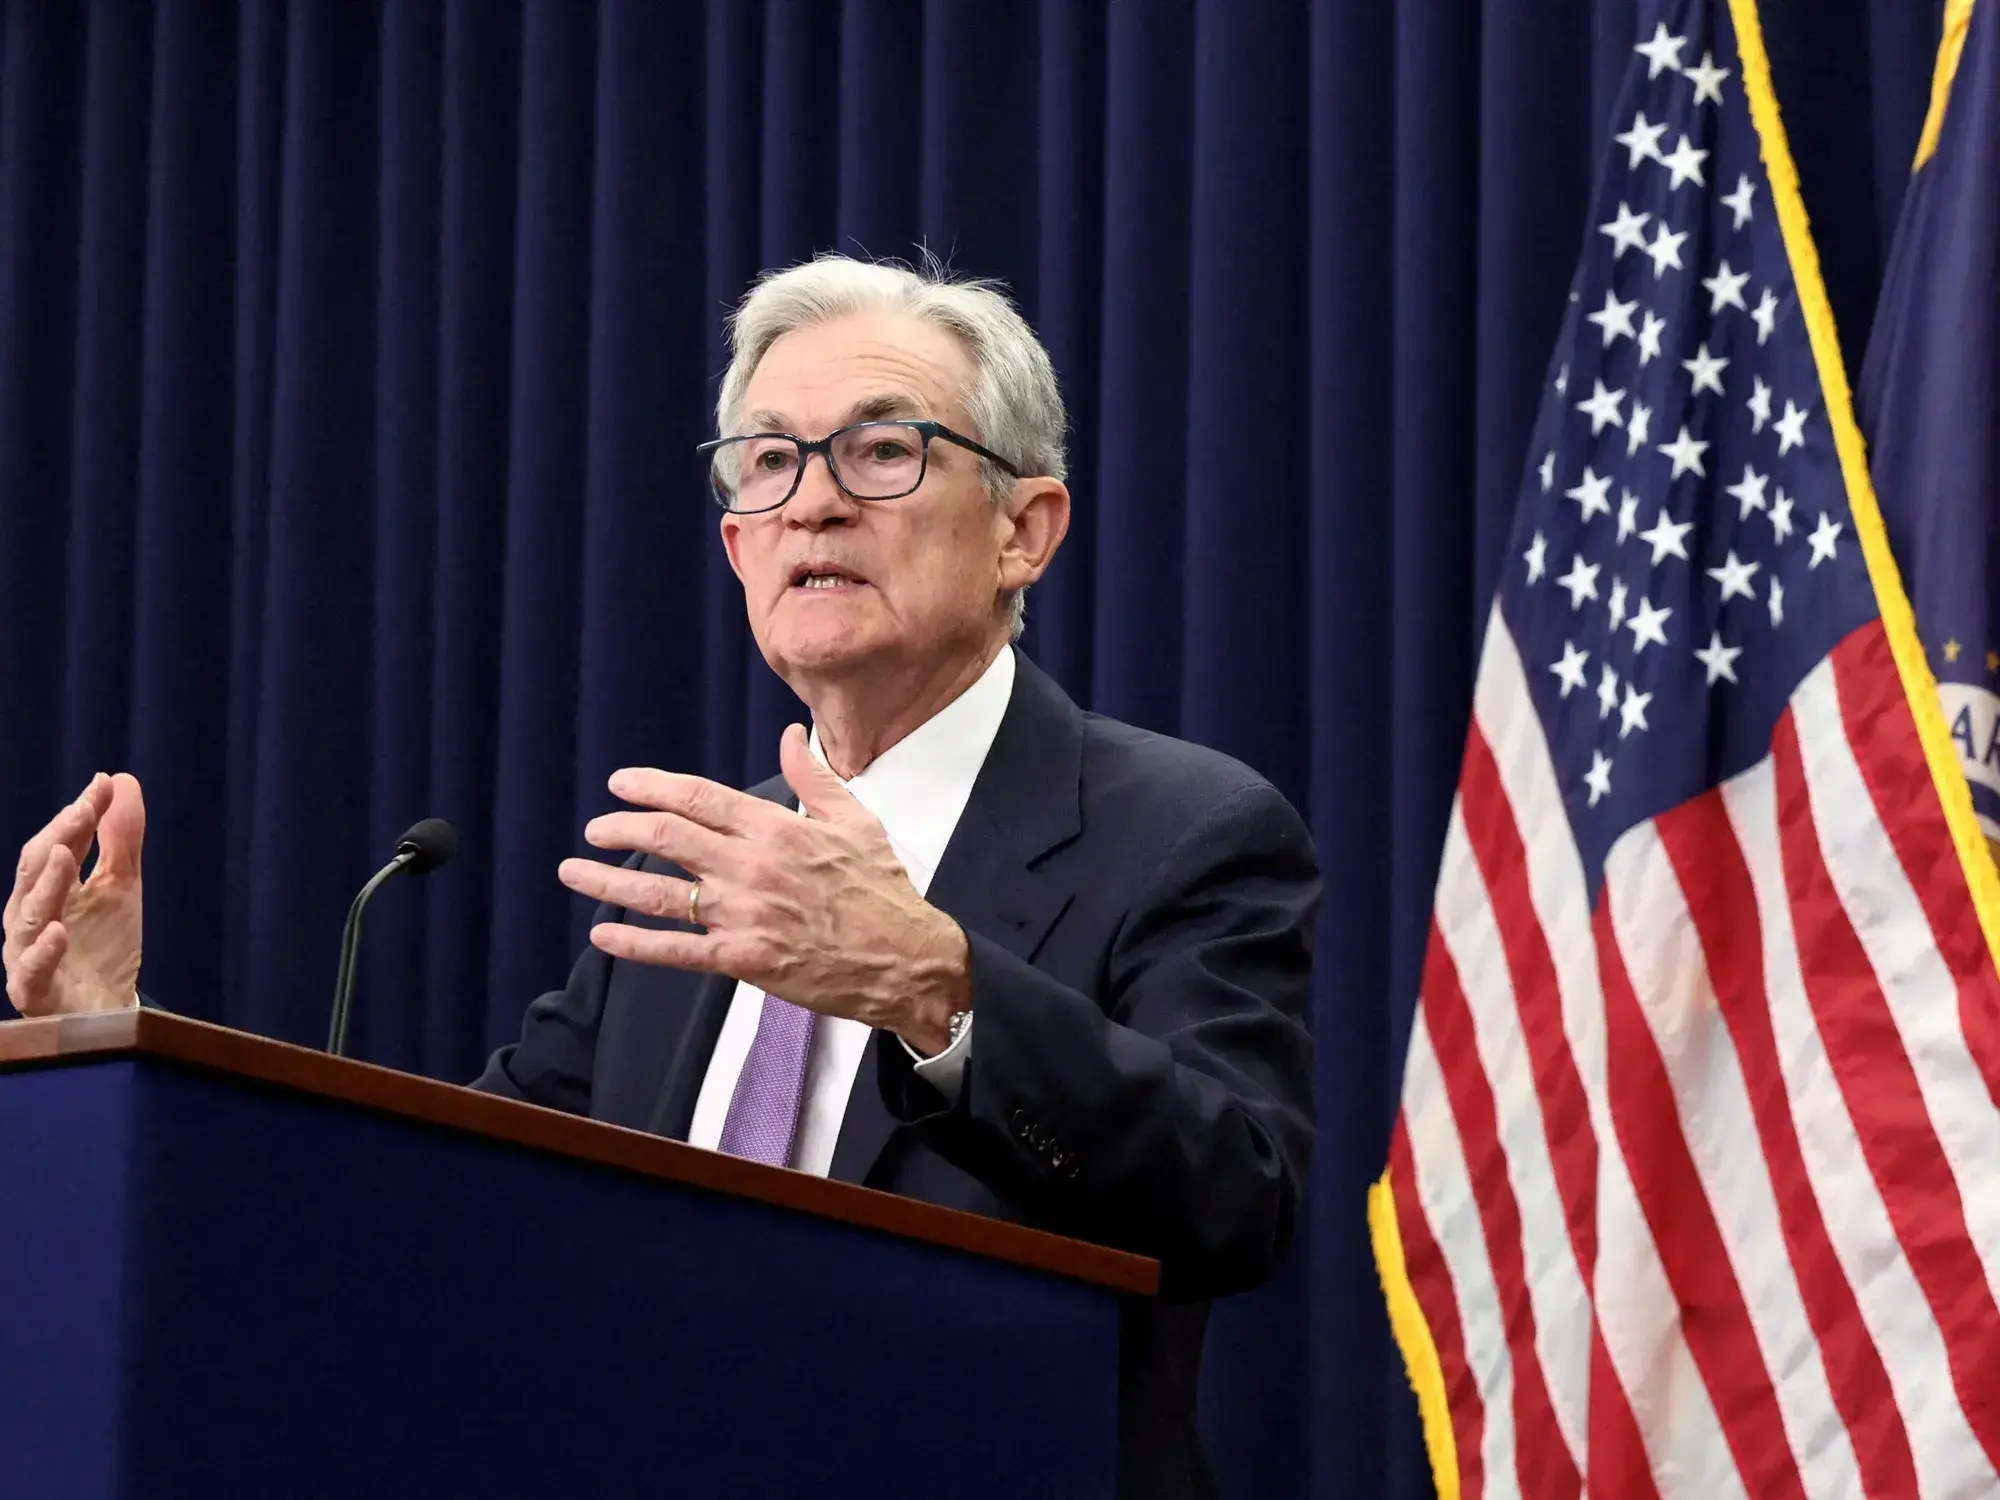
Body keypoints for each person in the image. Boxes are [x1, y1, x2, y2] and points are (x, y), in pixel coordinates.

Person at [2, 255, 1317, 1499]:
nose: (813, 501)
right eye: (771, 461)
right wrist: (113, 1034)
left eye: (883, 449)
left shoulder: (1185, 830)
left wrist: (937, 989)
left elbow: (1236, 1198)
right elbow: (433, 1206)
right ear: (740, 547)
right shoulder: (704, 873)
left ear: (1025, 529)